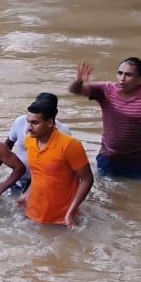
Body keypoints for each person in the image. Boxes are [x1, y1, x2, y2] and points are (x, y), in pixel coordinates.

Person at [68, 57, 141, 177]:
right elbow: (74, 90)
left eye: (128, 75)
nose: (122, 79)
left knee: (139, 193)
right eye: (120, 73)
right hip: (108, 158)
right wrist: (78, 80)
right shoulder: (106, 89)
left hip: (139, 161)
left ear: (140, 79)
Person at [17, 95, 93, 227]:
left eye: (35, 123)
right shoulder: (29, 140)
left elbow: (87, 179)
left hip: (62, 218)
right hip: (33, 212)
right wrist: (27, 194)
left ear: (50, 123)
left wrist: (70, 212)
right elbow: (37, 172)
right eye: (28, 121)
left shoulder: (70, 145)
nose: (29, 128)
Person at [4, 92, 71, 192]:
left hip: (45, 182)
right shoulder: (20, 122)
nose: (29, 127)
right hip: (19, 178)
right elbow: (7, 146)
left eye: (35, 122)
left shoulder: (64, 133)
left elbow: (68, 168)